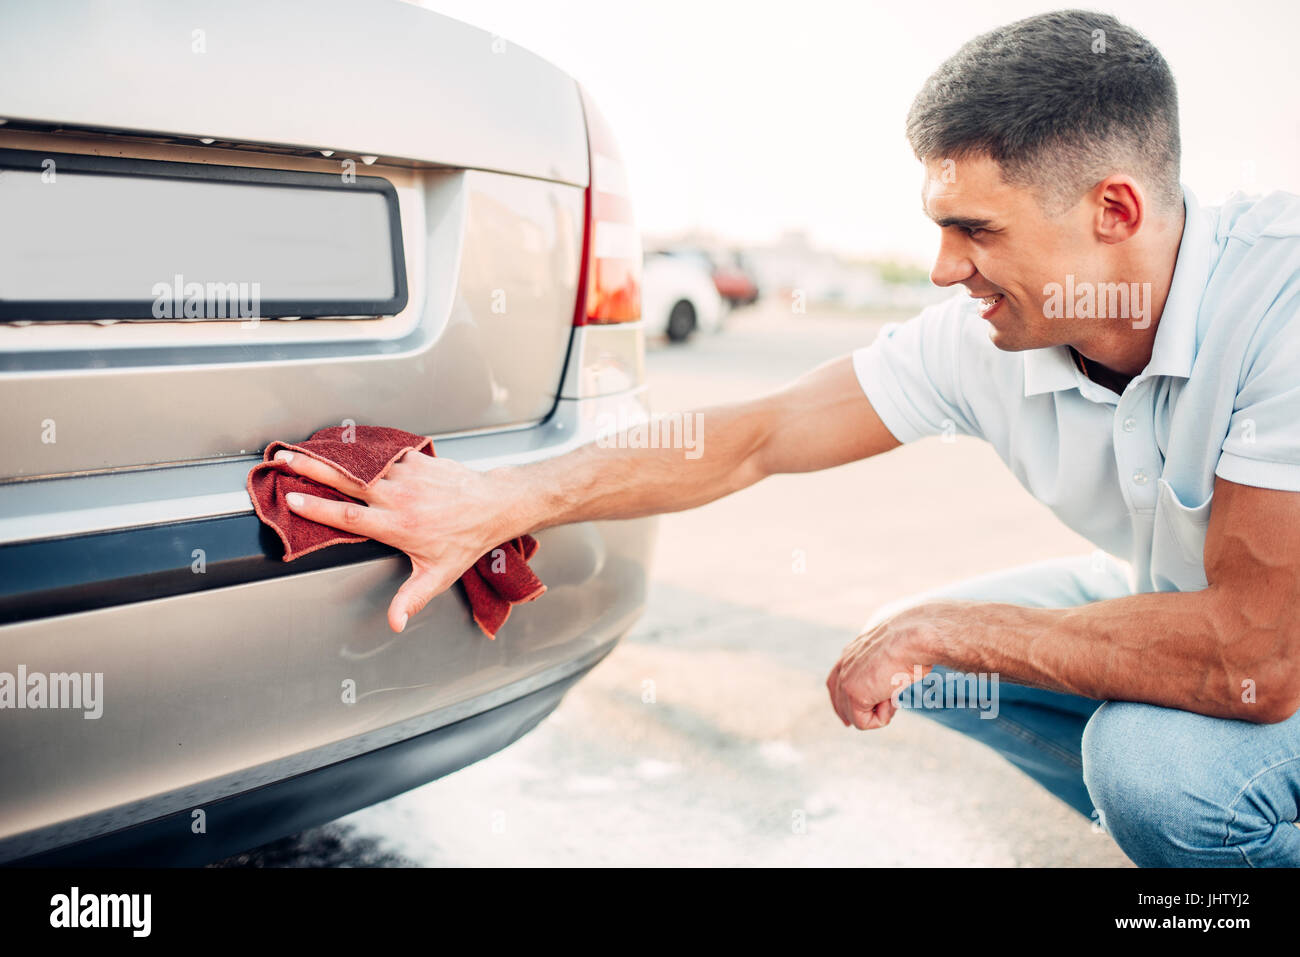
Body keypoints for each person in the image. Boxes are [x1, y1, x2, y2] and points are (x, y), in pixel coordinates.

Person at [268, 10, 1300, 866]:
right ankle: (1182, 847)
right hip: (1193, 605)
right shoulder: (987, 335)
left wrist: (950, 628)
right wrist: (505, 499)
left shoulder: (1279, 301)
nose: (943, 269)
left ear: (1112, 209)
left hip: (1276, 639)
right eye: (939, 228)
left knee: (1150, 766)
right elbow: (754, 434)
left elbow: (1259, 651)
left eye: (976, 231)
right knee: (930, 663)